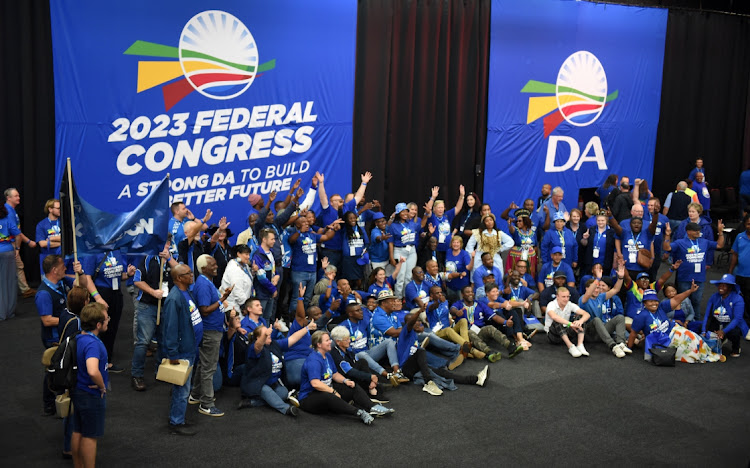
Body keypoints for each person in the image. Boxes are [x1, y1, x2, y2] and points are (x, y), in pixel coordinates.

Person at [36, 255, 87, 416]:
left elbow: (81, 286)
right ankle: (49, 404)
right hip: (54, 339)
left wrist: (81, 272)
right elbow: (46, 320)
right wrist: (70, 320)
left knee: (63, 367)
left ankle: (61, 395)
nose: (66, 268)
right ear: (54, 270)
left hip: (65, 334)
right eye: (62, 266)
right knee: (53, 368)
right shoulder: (44, 294)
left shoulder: (61, 282)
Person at [397, 308, 488, 396]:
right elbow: (410, 323)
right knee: (421, 351)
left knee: (443, 373)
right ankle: (428, 382)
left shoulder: (415, 334)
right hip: (406, 368)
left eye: (419, 320)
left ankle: (475, 380)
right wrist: (419, 312)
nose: (418, 322)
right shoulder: (404, 333)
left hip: (417, 366)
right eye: (416, 321)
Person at [297, 331, 379, 425]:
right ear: (319, 344)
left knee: (352, 386)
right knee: (329, 396)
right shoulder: (314, 360)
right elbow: (315, 383)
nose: (330, 342)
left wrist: (345, 381)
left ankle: (372, 407)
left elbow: (335, 374)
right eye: (327, 340)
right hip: (309, 398)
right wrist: (333, 391)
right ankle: (359, 413)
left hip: (326, 390)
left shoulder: (327, 355)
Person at [238, 323, 316, 416]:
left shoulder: (274, 344)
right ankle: (286, 409)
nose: (268, 334)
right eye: (265, 334)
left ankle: (253, 402)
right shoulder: (253, 348)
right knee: (267, 392)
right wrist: (265, 335)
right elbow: (258, 346)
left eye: (268, 333)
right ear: (258, 338)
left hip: (274, 383)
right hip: (258, 383)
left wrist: (307, 328)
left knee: (284, 393)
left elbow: (292, 339)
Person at [628, 285, 721, 363]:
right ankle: (705, 356)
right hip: (662, 340)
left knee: (695, 338)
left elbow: (676, 299)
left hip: (674, 330)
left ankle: (710, 352)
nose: (654, 303)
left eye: (655, 300)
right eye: (651, 301)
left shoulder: (661, 307)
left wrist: (690, 291)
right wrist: (629, 348)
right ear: (645, 303)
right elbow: (633, 333)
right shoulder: (641, 316)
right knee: (690, 348)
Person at [161, 264, 202, 435]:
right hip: (183, 351)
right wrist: (172, 353)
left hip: (191, 347)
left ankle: (179, 417)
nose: (192, 275)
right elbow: (170, 328)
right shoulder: (174, 299)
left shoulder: (186, 293)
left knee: (184, 387)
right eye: (188, 273)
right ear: (179, 278)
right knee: (181, 388)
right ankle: (176, 422)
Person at [190, 255, 233, 417]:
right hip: (209, 332)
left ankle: (195, 394)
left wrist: (223, 298)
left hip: (212, 330)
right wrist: (222, 300)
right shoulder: (202, 285)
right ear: (203, 269)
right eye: (212, 265)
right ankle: (207, 404)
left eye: (216, 263)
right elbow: (205, 310)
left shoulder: (206, 282)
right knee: (209, 368)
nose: (216, 266)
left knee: (203, 364)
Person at [131, 243, 177, 391]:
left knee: (164, 341)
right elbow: (137, 280)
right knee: (143, 342)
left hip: (167, 306)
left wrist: (169, 259)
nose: (163, 247)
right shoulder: (147, 258)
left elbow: (183, 272)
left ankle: (160, 371)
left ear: (169, 245)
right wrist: (153, 291)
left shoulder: (173, 258)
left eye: (165, 244)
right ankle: (137, 375)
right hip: (147, 305)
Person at [82, 250, 135, 373]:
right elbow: (87, 278)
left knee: (111, 328)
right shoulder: (93, 251)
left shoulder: (116, 251)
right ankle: (90, 362)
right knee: (94, 328)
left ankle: (107, 362)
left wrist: (128, 274)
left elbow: (116, 275)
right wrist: (98, 298)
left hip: (116, 294)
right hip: (100, 293)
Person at [71, 303, 109, 468]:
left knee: (78, 430)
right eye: (106, 318)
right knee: (90, 436)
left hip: (77, 390)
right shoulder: (93, 344)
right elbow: (93, 371)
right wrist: (102, 386)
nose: (109, 320)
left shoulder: (79, 337)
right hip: (90, 394)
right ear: (98, 324)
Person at [663, 220, 725, 320]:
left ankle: (696, 321)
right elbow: (667, 248)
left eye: (699, 230)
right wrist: (667, 235)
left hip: (699, 278)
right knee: (684, 301)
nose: (698, 232)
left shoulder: (704, 241)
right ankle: (683, 321)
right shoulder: (680, 242)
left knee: (697, 301)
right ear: (688, 232)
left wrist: (720, 233)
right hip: (684, 278)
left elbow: (719, 245)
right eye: (696, 231)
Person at [287, 209, 341, 315]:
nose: (307, 225)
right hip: (299, 271)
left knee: (307, 297)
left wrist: (334, 229)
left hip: (312, 272)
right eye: (303, 223)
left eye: (307, 223)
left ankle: (303, 316)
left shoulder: (312, 234)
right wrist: (299, 231)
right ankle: (292, 319)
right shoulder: (295, 235)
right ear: (297, 225)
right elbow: (291, 240)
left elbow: (326, 237)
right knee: (297, 297)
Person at [450, 285, 523, 361]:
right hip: (466, 335)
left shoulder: (479, 304)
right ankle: (489, 353)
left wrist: (505, 322)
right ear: (462, 294)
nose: (470, 294)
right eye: (467, 292)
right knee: (470, 332)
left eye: (472, 292)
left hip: (479, 330)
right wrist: (457, 312)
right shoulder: (458, 304)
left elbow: (494, 316)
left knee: (490, 328)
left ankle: (510, 347)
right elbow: (452, 309)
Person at [317, 171, 372, 270]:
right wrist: (321, 183)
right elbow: (322, 197)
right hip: (330, 250)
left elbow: (358, 197)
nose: (340, 201)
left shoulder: (346, 207)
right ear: (331, 202)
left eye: (341, 199)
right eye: (337, 200)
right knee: (328, 274)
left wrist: (364, 183)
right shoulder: (327, 210)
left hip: (344, 250)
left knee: (341, 276)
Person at [57, 285, 88, 460]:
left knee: (70, 408)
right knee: (72, 409)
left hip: (64, 366)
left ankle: (69, 443)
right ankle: (69, 447)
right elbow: (74, 346)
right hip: (72, 370)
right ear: (84, 303)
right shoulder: (77, 322)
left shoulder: (65, 313)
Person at [329, 325, 394, 406]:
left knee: (362, 364)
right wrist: (370, 377)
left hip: (351, 375)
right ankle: (372, 391)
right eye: (346, 339)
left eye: (349, 338)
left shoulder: (347, 349)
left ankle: (372, 387)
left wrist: (370, 377)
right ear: (338, 342)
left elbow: (355, 363)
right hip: (343, 380)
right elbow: (349, 371)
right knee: (362, 363)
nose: (349, 341)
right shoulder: (335, 354)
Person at [580, 266, 629, 358]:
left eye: (598, 288)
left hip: (601, 332)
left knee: (620, 318)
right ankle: (613, 346)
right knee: (596, 319)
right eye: (594, 288)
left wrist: (621, 278)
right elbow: (588, 294)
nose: (596, 290)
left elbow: (615, 290)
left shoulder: (600, 297)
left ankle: (621, 343)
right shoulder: (583, 299)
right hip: (588, 333)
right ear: (587, 288)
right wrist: (598, 278)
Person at [702, 274, 746, 358]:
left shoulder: (738, 299)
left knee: (734, 332)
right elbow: (707, 315)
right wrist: (704, 330)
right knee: (702, 328)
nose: (720, 287)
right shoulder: (714, 296)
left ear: (730, 287)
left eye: (724, 286)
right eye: (720, 285)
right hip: (717, 321)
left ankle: (736, 347)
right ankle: (721, 339)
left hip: (731, 323)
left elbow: (737, 319)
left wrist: (723, 331)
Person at [388, 202, 426, 297]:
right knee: (400, 277)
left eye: (406, 211)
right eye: (402, 212)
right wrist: (392, 257)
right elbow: (390, 243)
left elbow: (421, 225)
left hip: (412, 251)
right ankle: (398, 298)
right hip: (399, 251)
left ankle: (406, 298)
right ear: (398, 213)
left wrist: (427, 213)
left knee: (409, 276)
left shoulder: (412, 223)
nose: (405, 213)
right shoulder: (393, 226)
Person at [4, 188, 36, 297]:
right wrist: (28, 242)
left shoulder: (11, 210)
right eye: (16, 196)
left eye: (18, 195)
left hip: (12, 243)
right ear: (8, 198)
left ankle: (24, 289)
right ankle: (24, 289)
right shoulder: (7, 211)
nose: (19, 198)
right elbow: (16, 232)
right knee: (18, 266)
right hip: (9, 244)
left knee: (17, 267)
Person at [610, 205, 658, 276]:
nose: (636, 225)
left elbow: (654, 225)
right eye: (634, 223)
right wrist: (610, 217)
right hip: (626, 268)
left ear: (642, 225)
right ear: (630, 224)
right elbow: (616, 227)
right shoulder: (625, 233)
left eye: (639, 223)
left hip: (642, 268)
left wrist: (656, 214)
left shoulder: (647, 233)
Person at [544, 287, 590, 358]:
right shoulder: (551, 304)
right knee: (557, 320)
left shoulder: (569, 304)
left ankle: (580, 345)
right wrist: (570, 324)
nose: (566, 299)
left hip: (566, 332)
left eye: (568, 296)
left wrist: (580, 321)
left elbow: (587, 314)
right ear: (557, 297)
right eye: (563, 297)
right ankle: (570, 346)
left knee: (580, 318)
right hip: (553, 336)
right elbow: (554, 317)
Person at [466, 213, 513, 281]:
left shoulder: (498, 233)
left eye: (491, 220)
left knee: (497, 276)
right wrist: (473, 256)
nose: (489, 222)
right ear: (484, 223)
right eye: (487, 221)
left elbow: (510, 242)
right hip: (480, 258)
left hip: (494, 258)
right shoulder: (478, 233)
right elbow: (469, 246)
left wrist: (500, 249)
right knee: (477, 276)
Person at [426, 185, 465, 264]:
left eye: (442, 207)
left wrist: (461, 196)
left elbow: (458, 208)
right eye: (438, 207)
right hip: (436, 249)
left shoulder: (447, 216)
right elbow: (427, 209)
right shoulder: (432, 217)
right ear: (434, 209)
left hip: (448, 249)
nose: (440, 209)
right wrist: (433, 198)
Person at [672, 202, 715, 268]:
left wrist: (708, 262)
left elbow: (710, 246)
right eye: (689, 211)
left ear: (699, 213)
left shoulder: (706, 227)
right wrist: (674, 258)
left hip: (699, 258)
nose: (690, 213)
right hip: (683, 257)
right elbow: (676, 239)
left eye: (693, 212)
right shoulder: (683, 224)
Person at [252, 228, 281, 324]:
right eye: (272, 239)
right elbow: (261, 277)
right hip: (261, 293)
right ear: (264, 239)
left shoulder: (271, 252)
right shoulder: (258, 255)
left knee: (267, 317)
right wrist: (273, 289)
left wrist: (277, 276)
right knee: (259, 318)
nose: (274, 241)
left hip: (269, 292)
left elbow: (273, 268)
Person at [729, 214, 750, 341]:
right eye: (748, 224)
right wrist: (730, 272)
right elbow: (735, 255)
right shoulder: (740, 236)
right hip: (740, 275)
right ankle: (744, 327)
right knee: (740, 301)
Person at [0, 202, 23, 320]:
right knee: (8, 282)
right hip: (7, 252)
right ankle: (8, 311)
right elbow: (18, 235)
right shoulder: (7, 219)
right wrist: (17, 249)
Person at [579, 211, 615, 277]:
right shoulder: (591, 230)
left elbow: (613, 247)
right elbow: (584, 244)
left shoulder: (611, 232)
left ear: (606, 220)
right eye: (598, 220)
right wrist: (584, 238)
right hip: (591, 261)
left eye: (602, 220)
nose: (600, 222)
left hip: (605, 261)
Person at [506, 207, 539, 278]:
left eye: (520, 221)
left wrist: (536, 257)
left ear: (525, 221)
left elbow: (535, 246)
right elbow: (511, 230)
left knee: (530, 275)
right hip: (517, 257)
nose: (518, 223)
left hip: (530, 257)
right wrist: (510, 224)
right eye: (517, 221)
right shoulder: (516, 231)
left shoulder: (532, 232)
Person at [221, 244, 254, 314]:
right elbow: (237, 291)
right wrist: (246, 306)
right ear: (238, 254)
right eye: (246, 254)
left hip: (242, 304)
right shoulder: (234, 269)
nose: (248, 257)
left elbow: (247, 278)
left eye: (249, 254)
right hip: (235, 308)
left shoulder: (244, 265)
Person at [340, 211, 369, 289]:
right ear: (347, 220)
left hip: (359, 257)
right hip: (348, 258)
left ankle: (358, 291)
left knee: (359, 277)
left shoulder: (361, 229)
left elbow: (366, 242)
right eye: (350, 218)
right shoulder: (344, 230)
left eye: (354, 218)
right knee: (348, 278)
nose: (353, 220)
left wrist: (365, 250)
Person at [35, 198, 61, 275]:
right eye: (58, 208)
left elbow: (68, 239)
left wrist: (51, 239)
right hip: (47, 258)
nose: (60, 210)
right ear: (50, 209)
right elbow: (42, 244)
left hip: (61, 259)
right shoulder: (41, 224)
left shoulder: (63, 222)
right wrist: (61, 243)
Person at [205, 223, 234, 290]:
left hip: (228, 279)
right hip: (215, 280)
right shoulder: (212, 245)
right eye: (219, 232)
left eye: (223, 232)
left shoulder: (228, 247)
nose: (221, 234)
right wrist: (220, 229)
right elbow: (213, 241)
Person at [444, 236, 472, 302]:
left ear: (461, 244)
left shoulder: (464, 254)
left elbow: (468, 267)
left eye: (457, 242)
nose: (455, 244)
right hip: (450, 284)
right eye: (454, 242)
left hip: (461, 285)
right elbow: (445, 266)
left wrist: (464, 272)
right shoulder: (448, 251)